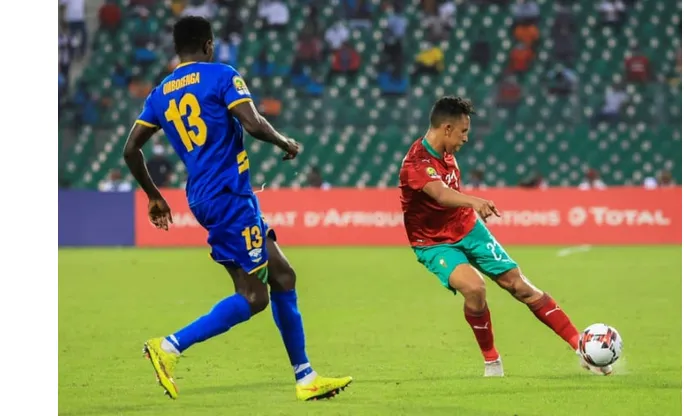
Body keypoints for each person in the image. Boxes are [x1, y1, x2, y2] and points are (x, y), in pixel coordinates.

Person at [122, 16, 353, 401]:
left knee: (283, 276)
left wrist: (154, 195)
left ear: (178, 49)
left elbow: (130, 150)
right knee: (253, 296)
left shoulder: (160, 93)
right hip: (228, 195)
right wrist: (285, 143)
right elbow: (253, 123)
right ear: (208, 45)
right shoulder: (221, 75)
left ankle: (306, 377)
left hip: (205, 195)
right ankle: (168, 347)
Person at [397, 96, 612, 377]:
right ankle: (492, 360)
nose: (466, 138)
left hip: (468, 229)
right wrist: (474, 201)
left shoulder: (446, 153)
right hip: (433, 243)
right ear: (447, 129)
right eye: (463, 131)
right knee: (475, 288)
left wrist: (469, 210)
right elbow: (440, 194)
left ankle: (581, 348)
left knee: (520, 286)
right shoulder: (416, 162)